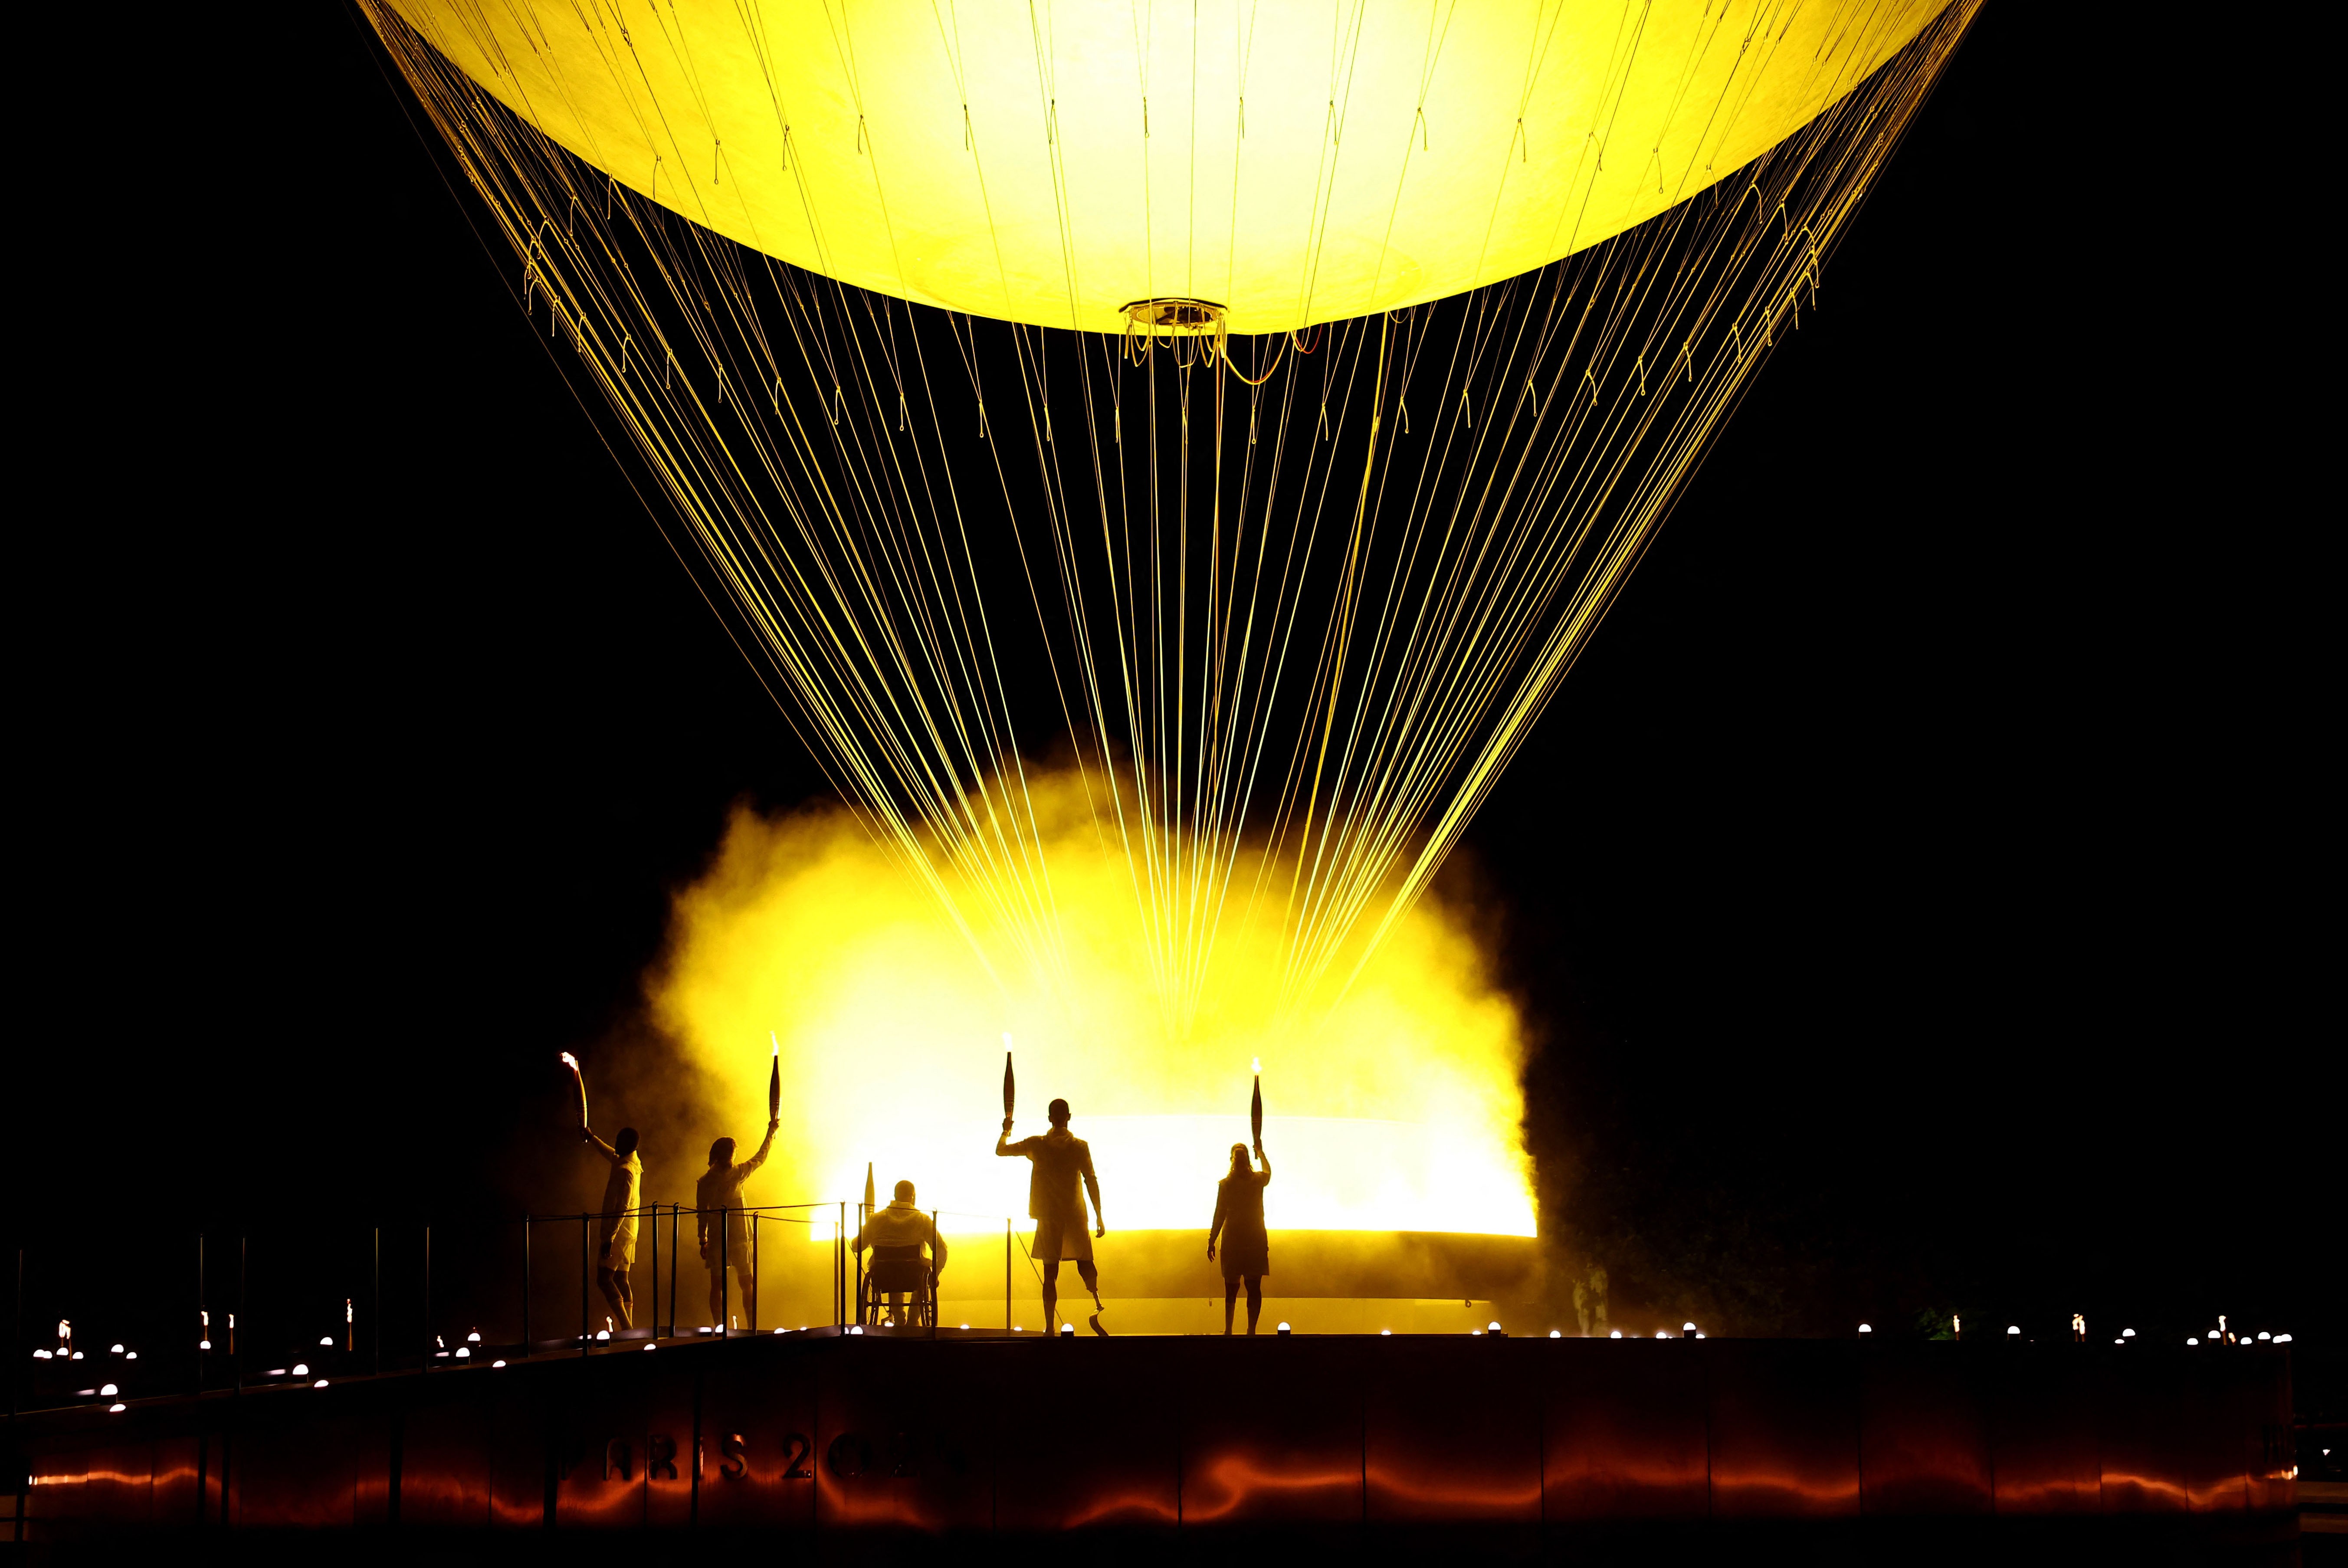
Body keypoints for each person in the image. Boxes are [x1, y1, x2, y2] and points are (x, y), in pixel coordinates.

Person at [995, 1097, 1105, 1333]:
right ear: (1069, 1117)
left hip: (1048, 1216)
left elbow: (1001, 1150)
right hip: (1075, 1215)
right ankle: (1097, 1302)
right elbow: (1091, 1180)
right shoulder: (1079, 1147)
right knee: (1086, 1262)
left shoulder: (1037, 1145)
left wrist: (1006, 1131)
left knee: (1050, 1273)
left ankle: (1049, 1328)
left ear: (1049, 1118)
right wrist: (1099, 1215)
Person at [695, 1117, 778, 1329]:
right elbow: (761, 1157)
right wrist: (770, 1133)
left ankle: (724, 1326)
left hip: (722, 1236)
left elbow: (701, 1214)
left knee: (723, 1284)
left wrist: (702, 1240)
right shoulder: (736, 1174)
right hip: (734, 1235)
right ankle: (748, 1326)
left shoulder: (709, 1181)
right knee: (740, 1282)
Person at [853, 1180, 949, 1327]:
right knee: (920, 1275)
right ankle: (912, 1322)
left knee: (893, 1269)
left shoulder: (876, 1219)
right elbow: (942, 1249)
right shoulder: (922, 1220)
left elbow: (856, 1246)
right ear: (913, 1196)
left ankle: (899, 1320)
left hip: (884, 1275)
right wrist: (935, 1274)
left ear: (895, 1195)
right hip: (913, 1274)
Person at [1207, 1140, 1272, 1335]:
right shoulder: (1258, 1181)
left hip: (1233, 1241)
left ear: (1232, 1161)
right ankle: (1251, 1331)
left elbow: (1220, 1214)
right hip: (1255, 1240)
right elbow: (1268, 1172)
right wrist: (1260, 1153)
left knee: (1231, 1289)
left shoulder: (1226, 1185)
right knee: (1254, 1288)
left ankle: (1229, 1330)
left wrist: (1212, 1240)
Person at [584, 1125, 643, 1331]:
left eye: (619, 1141)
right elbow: (610, 1153)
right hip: (630, 1231)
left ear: (627, 1145)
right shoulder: (632, 1162)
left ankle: (627, 1328)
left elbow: (622, 1208)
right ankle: (630, 1329)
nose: (616, 1144)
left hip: (620, 1232)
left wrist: (609, 1238)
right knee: (621, 1278)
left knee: (604, 1279)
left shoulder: (626, 1171)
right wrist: (592, 1138)